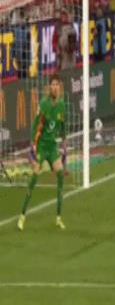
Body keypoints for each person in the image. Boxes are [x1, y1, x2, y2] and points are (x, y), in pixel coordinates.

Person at [17, 74, 67, 231]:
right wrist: (33, 142)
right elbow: (35, 124)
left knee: (60, 174)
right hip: (41, 147)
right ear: (49, 87)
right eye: (53, 84)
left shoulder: (61, 105)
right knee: (34, 177)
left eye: (57, 84)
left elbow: (62, 124)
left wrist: (64, 141)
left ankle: (58, 218)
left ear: (59, 87)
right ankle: (22, 216)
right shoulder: (44, 104)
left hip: (52, 146)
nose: (55, 87)